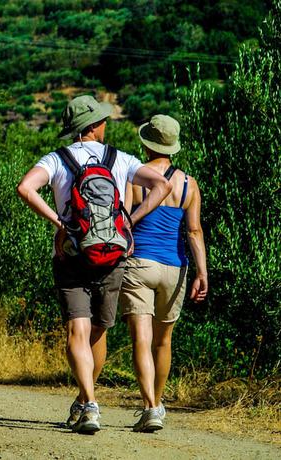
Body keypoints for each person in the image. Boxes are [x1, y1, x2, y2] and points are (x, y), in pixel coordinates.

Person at [16, 95, 172, 433]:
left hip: (73, 254)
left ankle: (89, 405)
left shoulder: (56, 159)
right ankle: (86, 398)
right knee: (97, 330)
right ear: (94, 126)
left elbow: (25, 188)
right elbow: (162, 185)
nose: (106, 124)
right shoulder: (120, 158)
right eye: (103, 120)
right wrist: (130, 220)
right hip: (113, 257)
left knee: (78, 329)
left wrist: (59, 222)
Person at [119, 115, 208, 432]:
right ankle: (156, 404)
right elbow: (194, 232)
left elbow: (125, 219)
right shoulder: (189, 183)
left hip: (139, 262)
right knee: (163, 340)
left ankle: (150, 408)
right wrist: (202, 274)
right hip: (176, 267)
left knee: (141, 338)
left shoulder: (135, 178)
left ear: (146, 143)